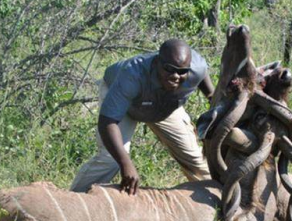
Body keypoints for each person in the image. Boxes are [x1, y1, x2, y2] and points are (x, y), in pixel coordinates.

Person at [71, 39, 214, 195]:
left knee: (196, 160)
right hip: (128, 105)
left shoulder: (196, 68)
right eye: (169, 69)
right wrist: (125, 163)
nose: (175, 76)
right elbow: (108, 122)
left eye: (181, 71)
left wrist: (213, 100)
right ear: (157, 62)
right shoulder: (132, 74)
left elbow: (209, 88)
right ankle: (74, 200)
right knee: (110, 160)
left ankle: (216, 202)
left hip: (164, 105)